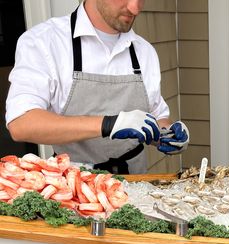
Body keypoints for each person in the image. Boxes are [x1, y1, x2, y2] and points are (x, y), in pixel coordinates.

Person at [5, 0, 189, 174]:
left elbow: (156, 117)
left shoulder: (144, 51)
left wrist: (168, 134)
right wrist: (108, 124)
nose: (135, 8)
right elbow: (21, 123)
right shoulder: (45, 41)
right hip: (74, 186)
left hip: (136, 183)